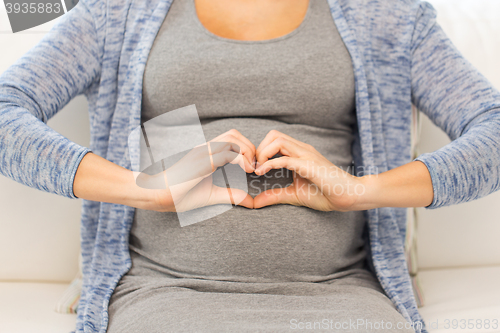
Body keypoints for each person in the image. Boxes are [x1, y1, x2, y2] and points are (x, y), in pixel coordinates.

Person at [0, 0, 499, 332]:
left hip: (340, 297)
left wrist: (359, 190)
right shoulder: (117, 12)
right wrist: (144, 188)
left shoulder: (386, 16)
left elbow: (492, 132)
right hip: (165, 296)